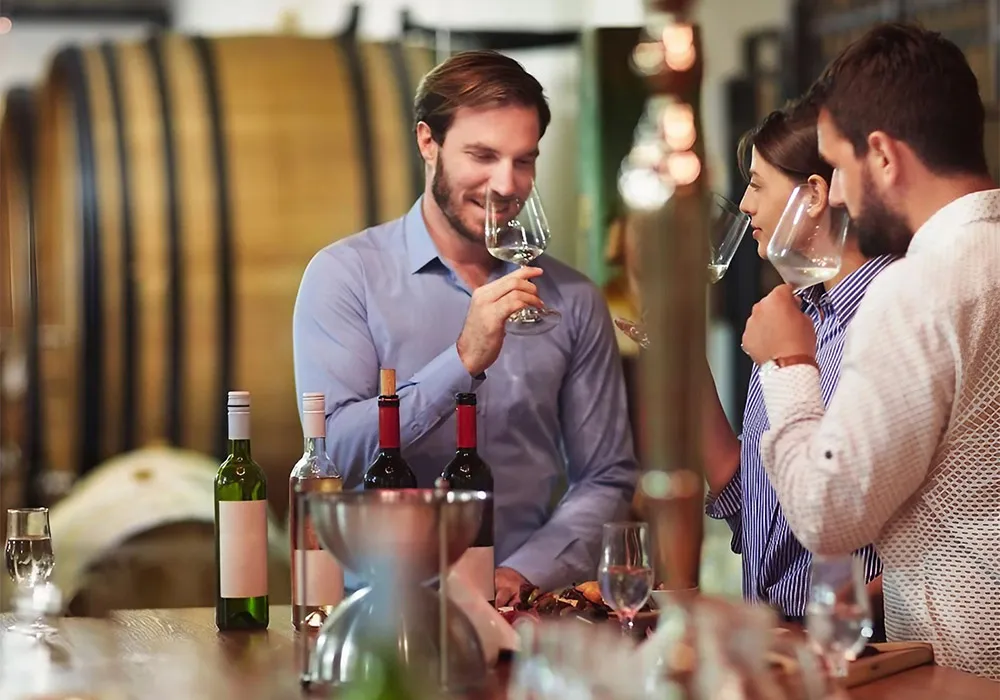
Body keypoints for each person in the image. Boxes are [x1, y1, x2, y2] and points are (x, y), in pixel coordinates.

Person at [292, 50, 637, 606]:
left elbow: (606, 476)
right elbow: (336, 460)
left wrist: (523, 574)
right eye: (483, 155)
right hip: (381, 614)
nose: (506, 184)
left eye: (524, 160)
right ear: (428, 142)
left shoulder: (571, 299)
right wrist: (462, 361)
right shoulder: (344, 277)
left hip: (529, 614)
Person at [742, 22, 1000, 679]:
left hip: (968, 670)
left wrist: (791, 363)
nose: (844, 197)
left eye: (843, 165)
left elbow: (828, 519)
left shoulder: (917, 289)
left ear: (882, 154)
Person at [700, 98, 895, 626]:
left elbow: (917, 528)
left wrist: (829, 618)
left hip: (859, 648)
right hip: (780, 641)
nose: (743, 204)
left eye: (758, 185)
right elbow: (757, 508)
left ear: (813, 195)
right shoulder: (795, 315)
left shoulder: (888, 316)